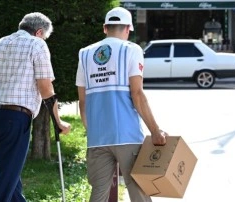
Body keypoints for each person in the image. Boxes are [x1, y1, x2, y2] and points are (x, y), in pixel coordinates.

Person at [75, 7, 168, 202]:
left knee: (99, 193)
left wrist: (91, 131)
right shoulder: (131, 50)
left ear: (104, 28)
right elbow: (137, 94)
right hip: (127, 135)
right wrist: (155, 130)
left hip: (98, 138)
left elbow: (83, 101)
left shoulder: (84, 54)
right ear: (128, 29)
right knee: (138, 192)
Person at [0, 12, 71, 202]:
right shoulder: (36, 44)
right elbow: (45, 87)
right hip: (15, 117)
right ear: (39, 32)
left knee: (10, 176)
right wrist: (58, 121)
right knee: (6, 180)